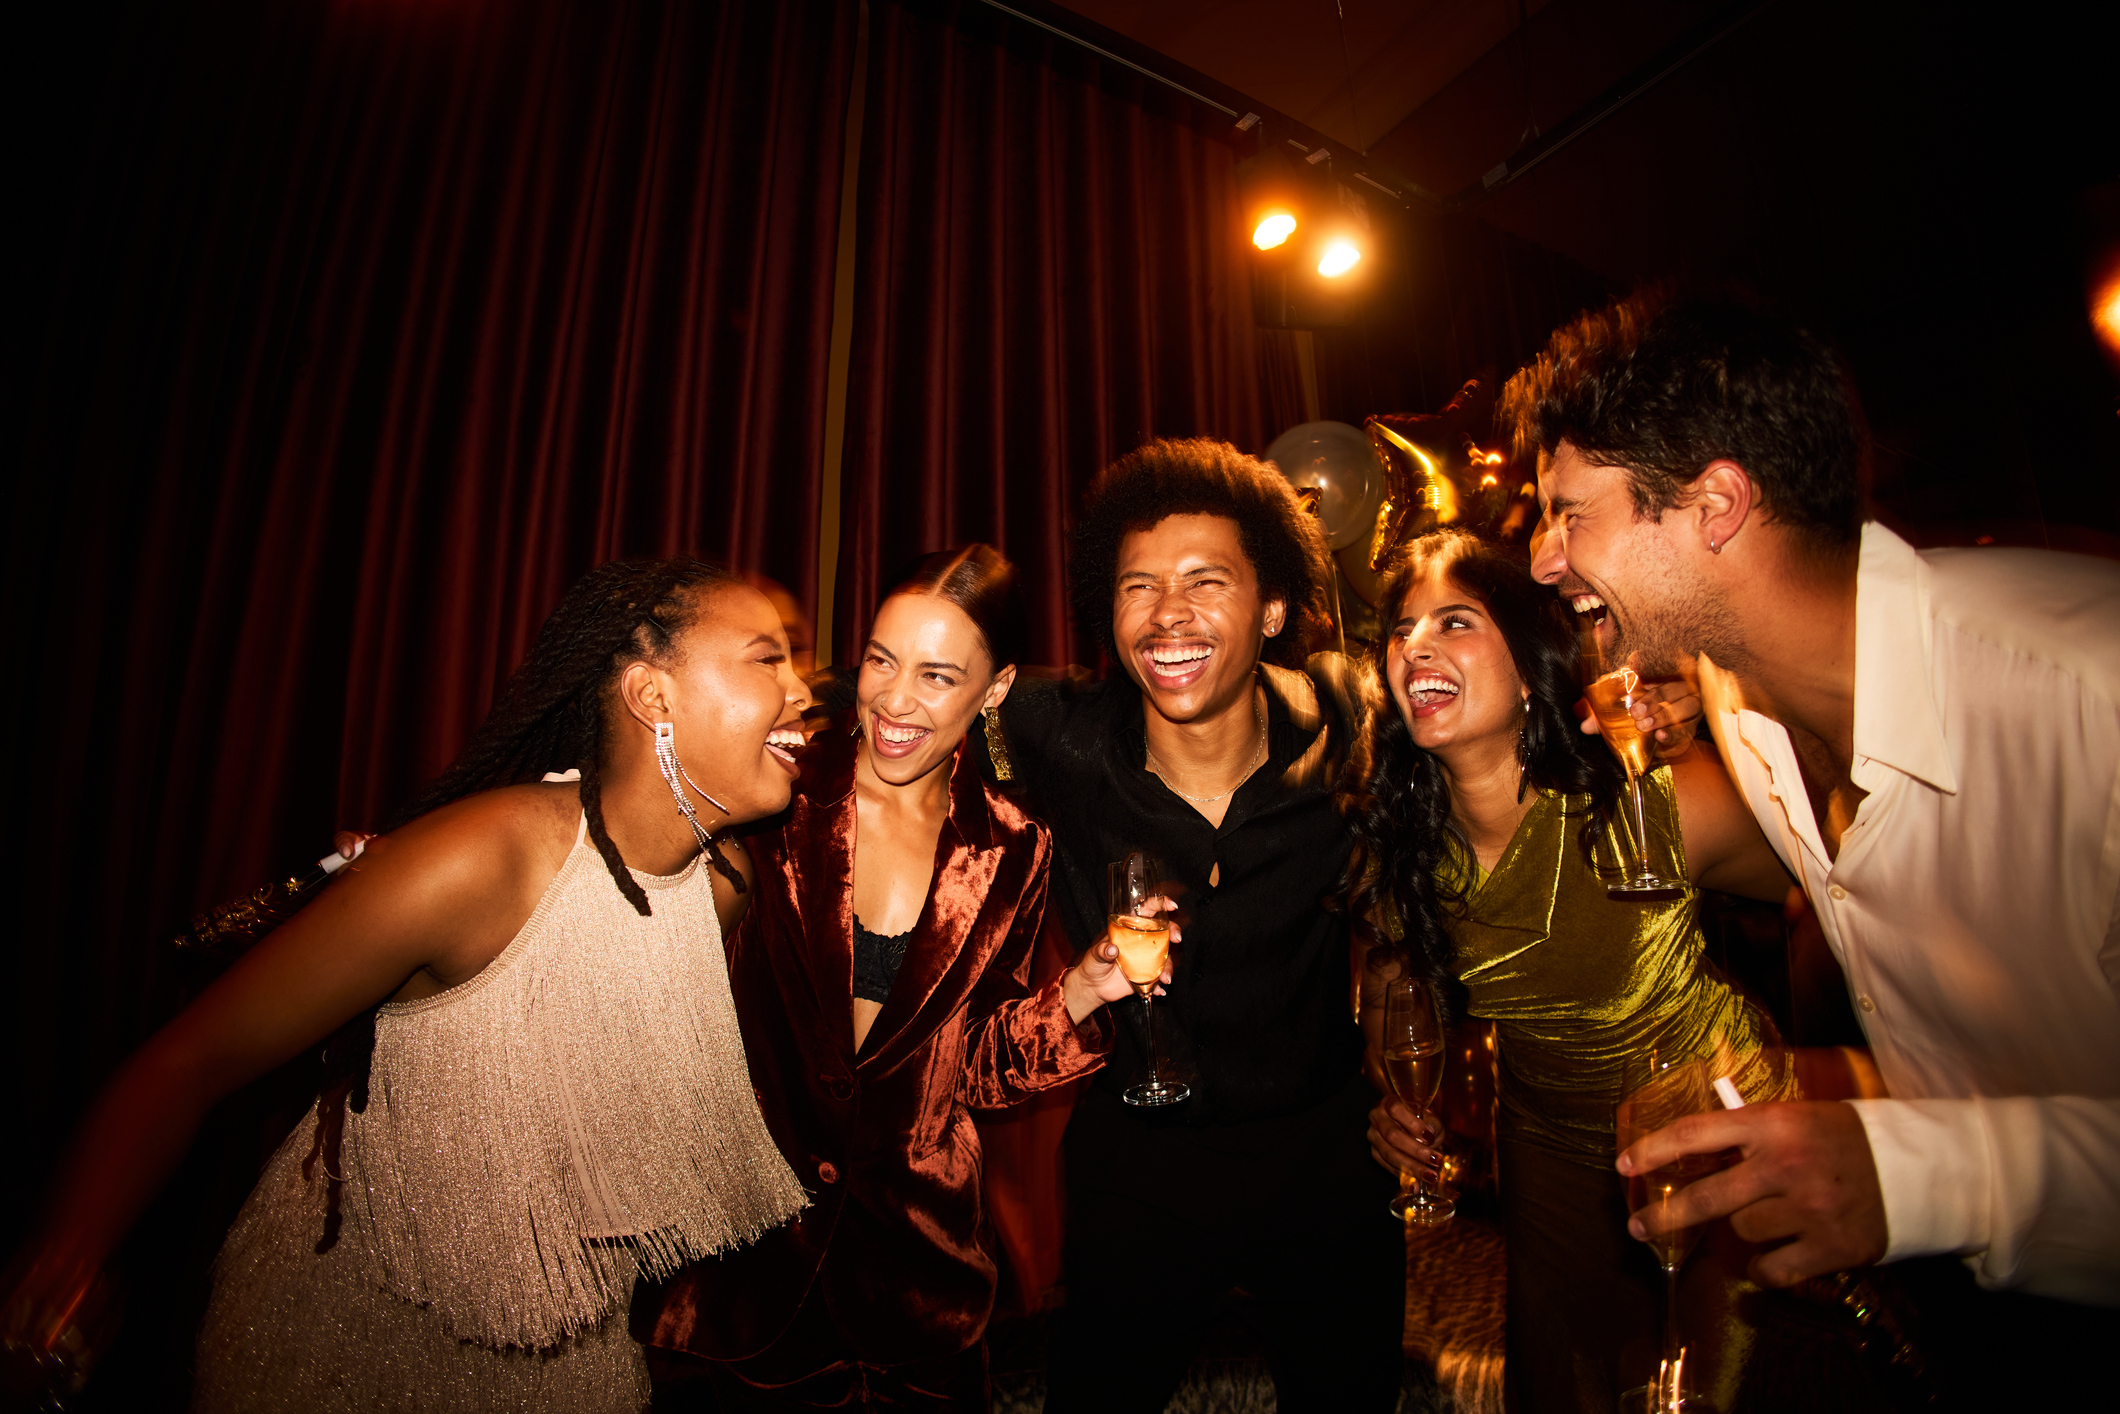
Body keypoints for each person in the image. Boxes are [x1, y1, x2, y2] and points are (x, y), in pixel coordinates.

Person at [3, 559, 814, 1412]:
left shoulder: (723, 889)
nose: (803, 690)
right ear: (651, 695)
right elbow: (188, 1062)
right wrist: (64, 1262)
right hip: (343, 1353)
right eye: (769, 660)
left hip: (569, 1357)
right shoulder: (474, 863)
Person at [1509, 290, 2120, 1387]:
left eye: (1568, 515)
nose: (1544, 560)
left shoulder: (2089, 691)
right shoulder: (1733, 702)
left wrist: (1930, 1178)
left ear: (1715, 505)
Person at [636, 545, 1138, 1410]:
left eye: (938, 676)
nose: (895, 700)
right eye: (881, 660)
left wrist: (1084, 991)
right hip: (744, 1276)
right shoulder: (777, 791)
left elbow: (971, 1066)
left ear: (996, 690)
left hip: (916, 1289)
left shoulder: (1016, 846)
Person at [988, 439, 1402, 1414]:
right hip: (1139, 1165)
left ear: (1271, 609)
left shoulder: (1349, 720)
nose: (1166, 612)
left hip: (1322, 1153)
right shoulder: (1056, 730)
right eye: (1138, 586)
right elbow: (893, 703)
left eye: (1204, 581)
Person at [1351, 528, 1807, 1413]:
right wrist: (1394, 1113)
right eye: (1401, 631)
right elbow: (1393, 1018)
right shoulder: (1407, 855)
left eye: (1454, 622)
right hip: (1548, 1167)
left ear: (1529, 669)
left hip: (1710, 1143)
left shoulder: (1645, 802)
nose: (1416, 648)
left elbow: (1833, 886)